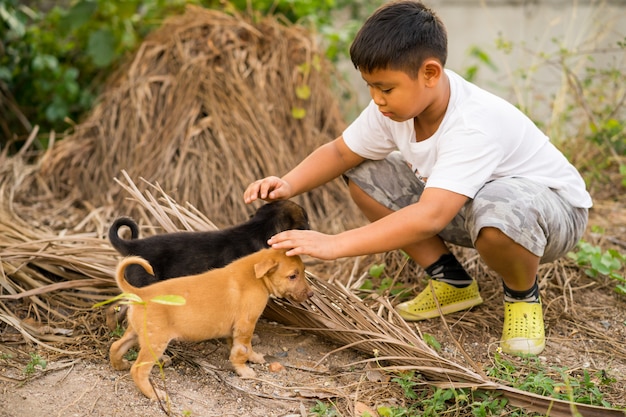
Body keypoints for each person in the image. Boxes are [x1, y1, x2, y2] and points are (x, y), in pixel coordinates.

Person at [243, 0, 591, 355]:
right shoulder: (393, 109)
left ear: (429, 73)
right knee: (364, 171)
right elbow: (340, 153)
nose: (377, 99)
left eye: (385, 88)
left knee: (496, 204)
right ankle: (452, 282)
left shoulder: (473, 123)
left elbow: (432, 216)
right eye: (370, 87)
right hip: (475, 207)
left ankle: (522, 296)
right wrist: (288, 183)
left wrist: (335, 245)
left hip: (552, 216)